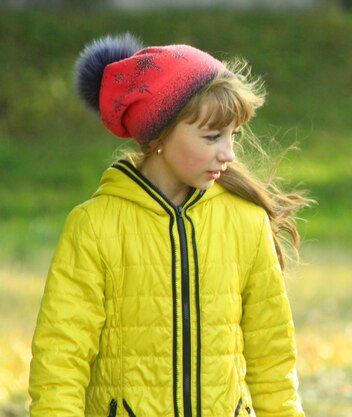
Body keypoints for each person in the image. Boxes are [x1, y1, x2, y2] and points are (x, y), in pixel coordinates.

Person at [29, 33, 311, 417]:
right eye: (212, 137)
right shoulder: (93, 225)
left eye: (233, 136)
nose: (228, 153)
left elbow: (273, 357)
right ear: (159, 135)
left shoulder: (247, 222)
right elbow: (61, 357)